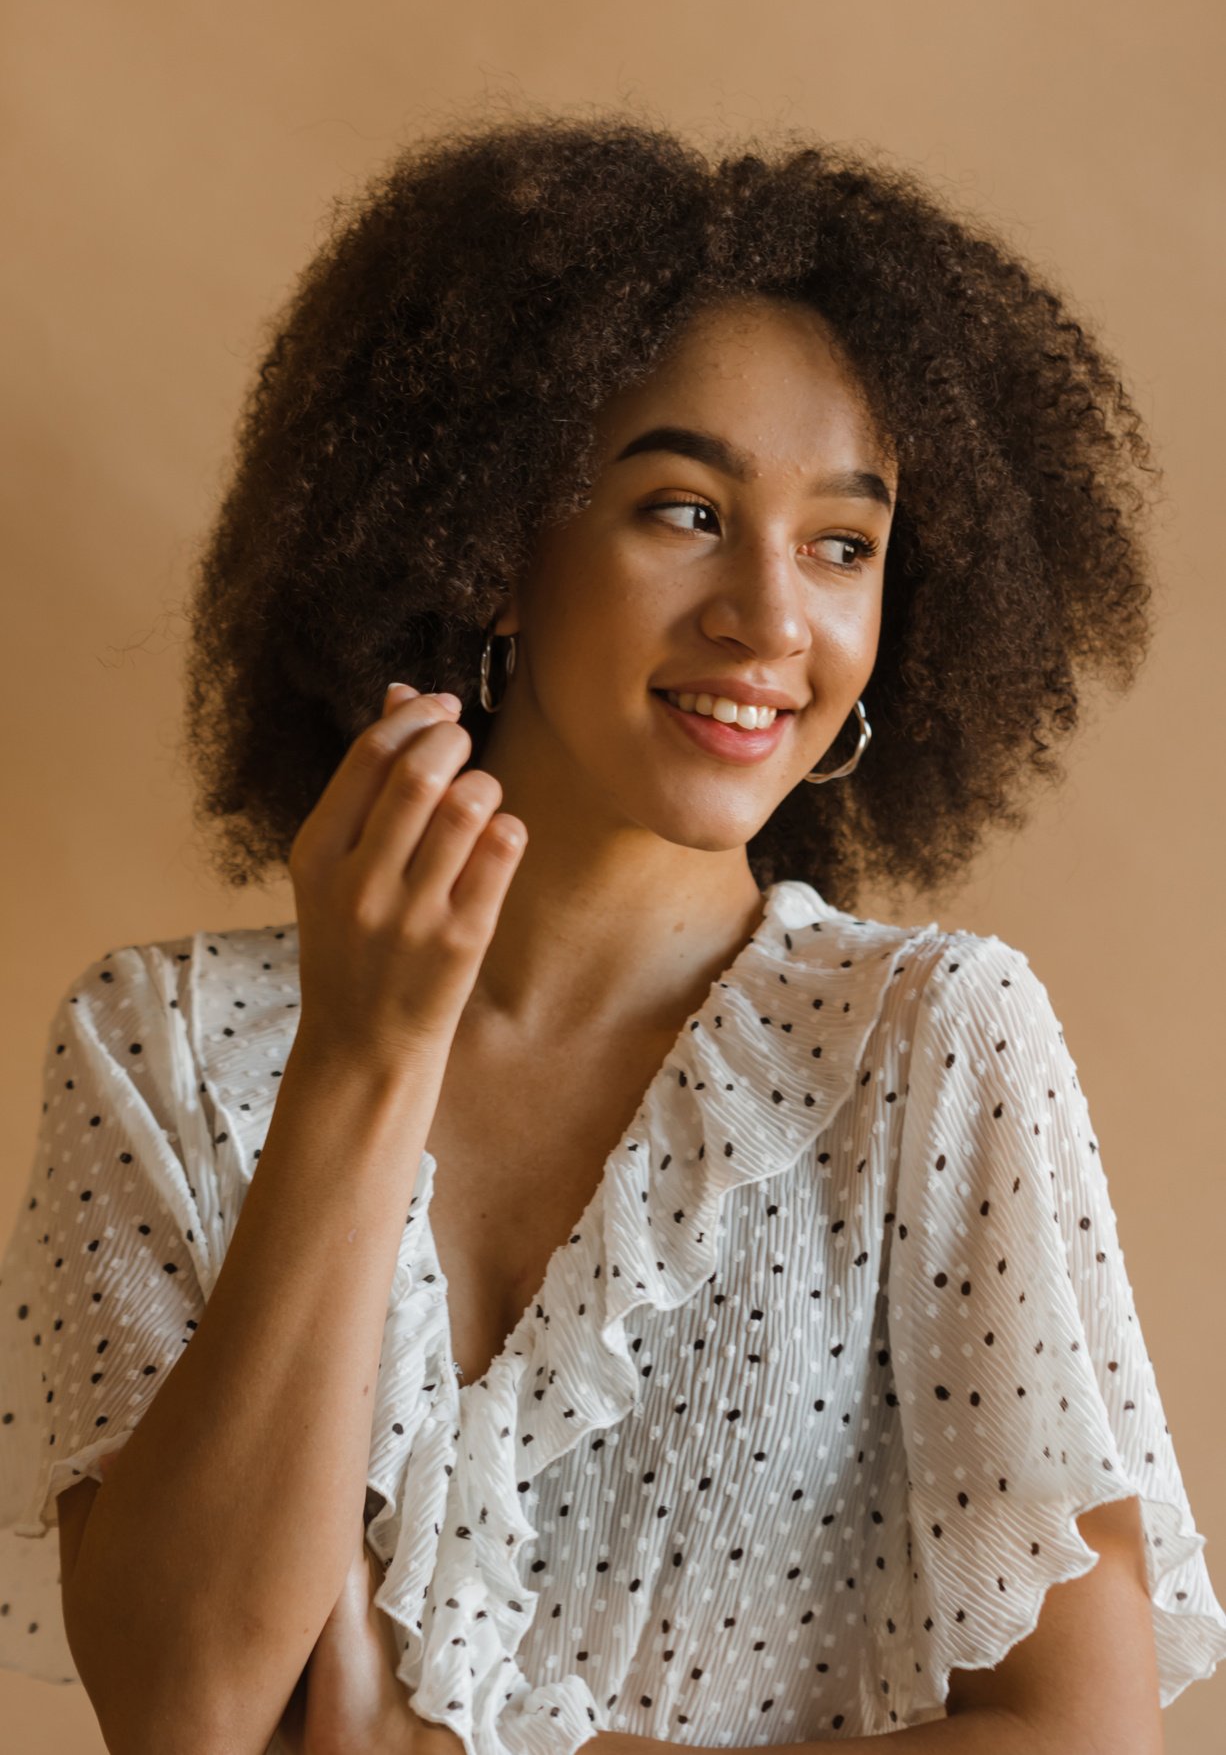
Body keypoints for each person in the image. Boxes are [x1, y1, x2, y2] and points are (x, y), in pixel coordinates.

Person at [1, 113, 1223, 1755]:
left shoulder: (930, 1044)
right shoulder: (158, 1048)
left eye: (843, 544)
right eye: (682, 510)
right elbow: (186, 1711)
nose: (774, 622)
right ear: (494, 540)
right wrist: (362, 1061)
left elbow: (1086, 1744)